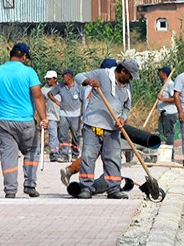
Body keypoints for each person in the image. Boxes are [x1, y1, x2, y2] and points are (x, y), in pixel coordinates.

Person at [0, 42, 48, 198]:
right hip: (25, 121)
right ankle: (30, 185)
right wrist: (44, 118)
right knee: (32, 150)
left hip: (4, 121)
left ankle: (10, 190)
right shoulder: (29, 72)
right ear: (24, 56)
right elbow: (37, 96)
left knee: (8, 156)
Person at [73, 59, 140, 199]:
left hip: (113, 128)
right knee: (88, 156)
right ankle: (86, 187)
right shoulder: (102, 74)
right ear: (123, 71)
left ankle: (114, 188)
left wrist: (122, 117)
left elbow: (127, 106)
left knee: (113, 158)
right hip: (93, 125)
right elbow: (79, 76)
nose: (131, 79)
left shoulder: (128, 86)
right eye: (130, 76)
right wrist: (89, 81)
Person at [60, 58, 118, 186]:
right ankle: (86, 179)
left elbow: (82, 103)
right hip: (99, 124)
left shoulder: (87, 86)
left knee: (92, 154)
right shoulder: (103, 86)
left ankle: (71, 171)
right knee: (102, 155)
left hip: (88, 122)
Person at [48, 68, 83, 162]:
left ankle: (75, 153)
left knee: (76, 135)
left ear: (69, 77)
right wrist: (57, 102)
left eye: (63, 76)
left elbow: (84, 100)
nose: (62, 78)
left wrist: (82, 114)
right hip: (63, 114)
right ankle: (64, 154)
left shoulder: (78, 87)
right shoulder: (60, 86)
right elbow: (50, 94)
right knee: (63, 135)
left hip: (76, 114)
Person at [42, 70, 61, 162]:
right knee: (53, 135)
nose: (48, 81)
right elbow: (40, 103)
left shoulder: (61, 88)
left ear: (55, 79)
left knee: (61, 135)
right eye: (47, 79)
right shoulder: (44, 90)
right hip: (51, 115)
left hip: (62, 115)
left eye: (50, 79)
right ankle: (54, 152)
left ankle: (61, 152)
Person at [156, 66, 178, 146]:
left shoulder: (170, 84)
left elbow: (175, 99)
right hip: (164, 113)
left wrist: (162, 99)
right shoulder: (164, 84)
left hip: (169, 113)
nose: (159, 74)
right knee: (163, 133)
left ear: (164, 74)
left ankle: (169, 153)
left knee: (169, 134)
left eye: (160, 72)